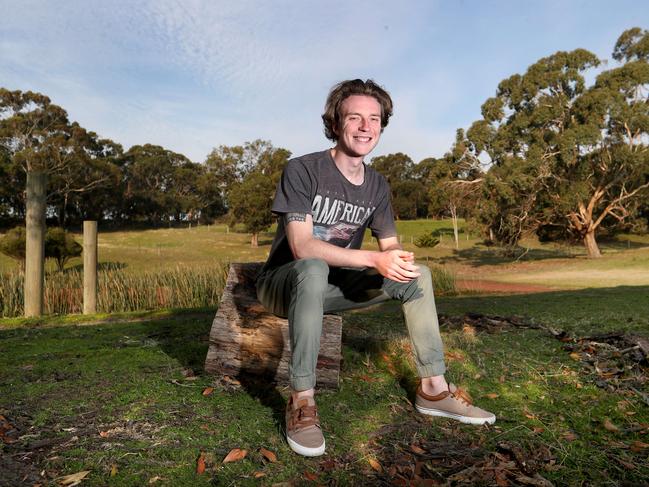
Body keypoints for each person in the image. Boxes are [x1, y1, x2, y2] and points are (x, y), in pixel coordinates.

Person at [256, 79, 495, 457]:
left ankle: (434, 389)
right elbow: (301, 247)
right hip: (283, 284)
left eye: (375, 119)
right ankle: (301, 401)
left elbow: (391, 247)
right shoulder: (302, 170)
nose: (366, 127)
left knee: (420, 277)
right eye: (355, 118)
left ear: (382, 126)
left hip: (333, 289)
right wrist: (373, 259)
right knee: (314, 268)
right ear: (335, 124)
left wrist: (395, 260)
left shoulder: (378, 185)